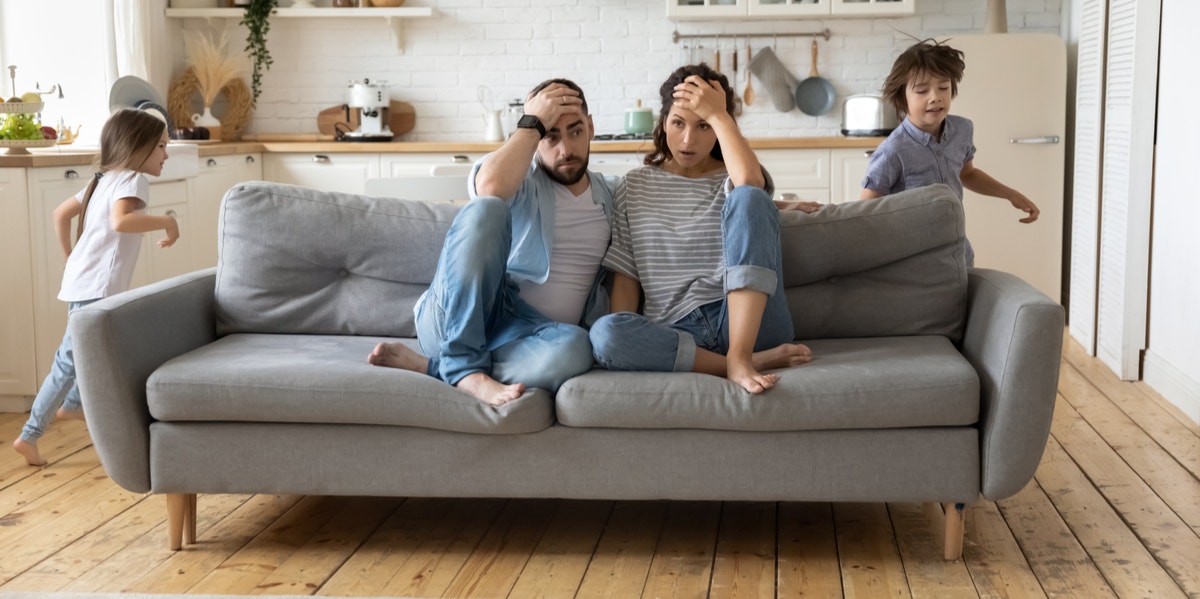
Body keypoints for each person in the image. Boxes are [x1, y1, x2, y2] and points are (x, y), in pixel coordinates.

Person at [368, 79, 618, 407]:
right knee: (487, 207)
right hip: (459, 318)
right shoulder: (518, 180)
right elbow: (488, 186)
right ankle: (463, 365)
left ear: (591, 127)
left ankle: (436, 368)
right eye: (551, 137)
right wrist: (532, 124)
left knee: (577, 349)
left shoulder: (611, 195)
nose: (566, 150)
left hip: (528, 338)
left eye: (575, 131)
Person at [588, 64, 812, 395]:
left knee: (750, 197)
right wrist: (630, 336)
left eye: (704, 125)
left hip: (749, 322)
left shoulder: (736, 176)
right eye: (678, 123)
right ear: (663, 123)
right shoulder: (634, 186)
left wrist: (720, 115)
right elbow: (627, 277)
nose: (688, 139)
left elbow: (750, 186)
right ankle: (747, 362)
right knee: (605, 333)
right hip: (678, 331)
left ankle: (741, 354)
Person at [13, 108, 179, 467]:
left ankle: (73, 405)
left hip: (85, 281)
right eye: (161, 147)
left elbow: (60, 214)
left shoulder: (102, 179)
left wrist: (71, 257)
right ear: (139, 147)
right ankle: (29, 434)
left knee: (94, 349)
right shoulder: (134, 180)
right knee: (69, 359)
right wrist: (167, 222)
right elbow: (122, 221)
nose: (167, 154)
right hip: (97, 286)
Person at [860, 38, 1039, 266]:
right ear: (901, 98)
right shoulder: (893, 150)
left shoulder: (963, 129)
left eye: (943, 87)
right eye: (922, 90)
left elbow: (967, 174)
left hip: (957, 250)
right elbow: (866, 208)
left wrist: (1011, 194)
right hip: (912, 259)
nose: (935, 96)